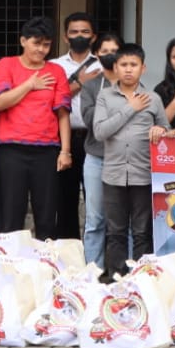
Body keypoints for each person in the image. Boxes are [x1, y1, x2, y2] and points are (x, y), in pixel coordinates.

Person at [0, 16, 74, 238]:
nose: (41, 49)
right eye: (36, 43)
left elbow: (63, 114)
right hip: (11, 149)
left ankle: (45, 258)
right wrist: (29, 85)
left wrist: (65, 151)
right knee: (11, 213)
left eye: (46, 45)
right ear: (23, 41)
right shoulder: (7, 64)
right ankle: (11, 258)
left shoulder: (56, 71)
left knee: (46, 215)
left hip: (47, 150)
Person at [92, 43, 170, 280]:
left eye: (133, 65)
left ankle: (141, 278)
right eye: (123, 64)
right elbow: (100, 132)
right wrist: (130, 108)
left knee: (142, 231)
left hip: (143, 173)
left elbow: (167, 131)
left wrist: (160, 130)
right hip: (113, 174)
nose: (128, 69)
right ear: (115, 67)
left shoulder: (153, 99)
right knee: (115, 231)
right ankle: (115, 278)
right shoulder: (105, 96)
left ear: (143, 68)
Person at [52, 12, 101, 242]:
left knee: (96, 200)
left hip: (96, 138)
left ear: (93, 37)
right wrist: (80, 82)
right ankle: (68, 250)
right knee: (65, 199)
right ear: (65, 37)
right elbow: (52, 99)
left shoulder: (104, 64)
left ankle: (95, 253)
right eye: (74, 32)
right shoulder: (54, 66)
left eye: (85, 32)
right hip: (64, 138)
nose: (79, 36)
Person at [77, 33, 123, 269]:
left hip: (125, 160)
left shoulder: (134, 84)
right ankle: (93, 271)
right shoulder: (91, 85)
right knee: (95, 219)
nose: (110, 55)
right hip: (96, 158)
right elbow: (89, 120)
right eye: (104, 51)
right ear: (96, 54)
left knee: (123, 219)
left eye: (114, 50)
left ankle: (123, 270)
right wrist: (120, 108)